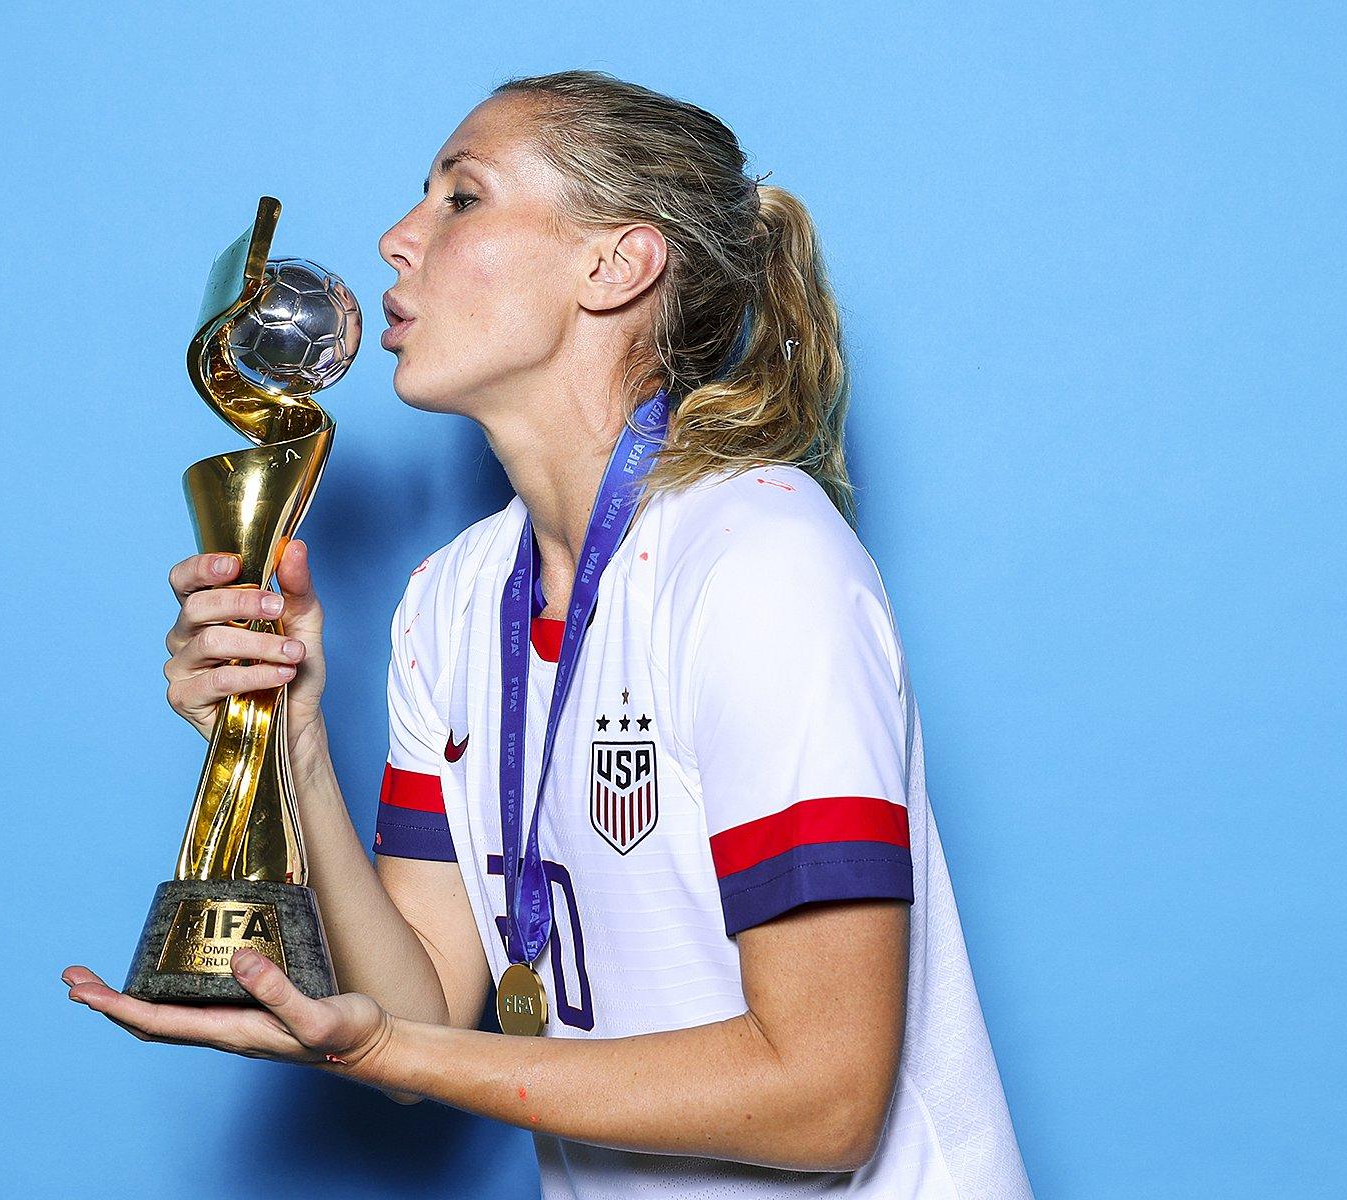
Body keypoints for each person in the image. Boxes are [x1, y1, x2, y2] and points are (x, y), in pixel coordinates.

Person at [63, 69, 1033, 1199]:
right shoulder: (453, 596)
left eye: (459, 198)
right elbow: (420, 1008)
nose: (394, 239)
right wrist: (291, 741)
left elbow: (823, 1097)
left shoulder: (759, 564)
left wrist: (390, 1048)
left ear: (614, 264)